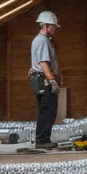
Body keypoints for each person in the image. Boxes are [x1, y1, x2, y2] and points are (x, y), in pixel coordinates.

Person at [29, 11, 61, 149]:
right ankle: (42, 140)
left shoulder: (41, 40)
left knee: (45, 110)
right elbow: (43, 63)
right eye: (53, 26)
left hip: (40, 79)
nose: (55, 29)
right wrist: (52, 80)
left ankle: (43, 138)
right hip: (44, 80)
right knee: (48, 110)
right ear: (45, 26)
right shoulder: (42, 41)